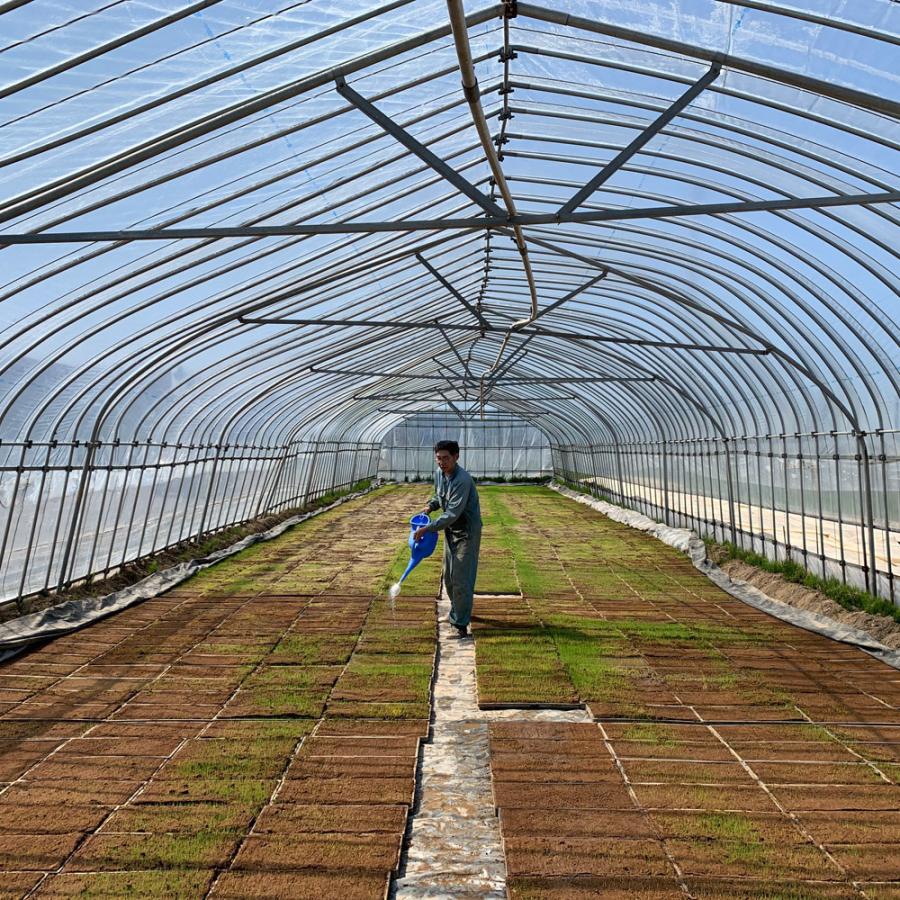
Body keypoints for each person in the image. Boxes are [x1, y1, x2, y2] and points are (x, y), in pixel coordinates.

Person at [413, 440, 482, 637]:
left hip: (467, 533)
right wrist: (430, 506)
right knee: (449, 577)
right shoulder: (439, 474)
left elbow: (452, 513)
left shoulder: (463, 480)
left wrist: (428, 528)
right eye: (438, 458)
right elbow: (439, 496)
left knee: (461, 579)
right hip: (451, 531)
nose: (442, 462)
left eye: (446, 458)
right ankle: (458, 611)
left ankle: (460, 625)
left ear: (456, 457)